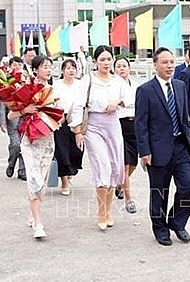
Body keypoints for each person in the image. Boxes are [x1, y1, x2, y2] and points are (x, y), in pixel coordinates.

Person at [135, 47, 190, 246]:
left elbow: (184, 116)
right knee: (160, 192)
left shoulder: (179, 86)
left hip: (181, 147)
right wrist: (145, 152)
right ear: (155, 65)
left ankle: (178, 223)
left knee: (188, 185)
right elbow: (141, 124)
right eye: (165, 62)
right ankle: (160, 228)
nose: (170, 66)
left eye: (172, 62)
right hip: (157, 150)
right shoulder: (145, 90)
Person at [69, 45, 126, 231]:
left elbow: (130, 99)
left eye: (109, 59)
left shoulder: (118, 81)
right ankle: (101, 212)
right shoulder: (87, 80)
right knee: (103, 166)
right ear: (95, 62)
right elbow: (77, 105)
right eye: (102, 59)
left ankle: (108, 210)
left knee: (114, 167)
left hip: (113, 126)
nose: (106, 62)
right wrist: (78, 131)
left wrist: (117, 102)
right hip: (94, 126)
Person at [8, 55, 61, 239]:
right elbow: (11, 115)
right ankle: (38, 224)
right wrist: (26, 110)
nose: (48, 70)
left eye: (50, 66)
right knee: (34, 180)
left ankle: (32, 213)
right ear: (36, 69)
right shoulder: (25, 89)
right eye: (45, 66)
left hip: (47, 141)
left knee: (43, 183)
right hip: (29, 141)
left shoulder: (52, 90)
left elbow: (60, 115)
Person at [51, 59, 84, 196]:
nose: (71, 70)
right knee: (62, 151)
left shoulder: (80, 85)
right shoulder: (57, 85)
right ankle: (64, 180)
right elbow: (54, 100)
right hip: (61, 120)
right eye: (68, 68)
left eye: (73, 68)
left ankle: (70, 172)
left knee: (77, 150)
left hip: (77, 121)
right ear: (62, 71)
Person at [113, 57, 141, 213]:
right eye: (118, 66)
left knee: (133, 163)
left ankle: (119, 184)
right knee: (125, 163)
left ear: (129, 68)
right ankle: (128, 198)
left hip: (135, 124)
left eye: (124, 66)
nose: (122, 68)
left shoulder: (136, 86)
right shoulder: (112, 85)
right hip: (119, 125)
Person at [0, 56, 27, 181]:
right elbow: (2, 103)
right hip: (12, 120)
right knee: (15, 145)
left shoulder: (27, 79)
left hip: (25, 119)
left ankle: (22, 171)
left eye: (19, 65)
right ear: (10, 67)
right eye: (14, 65)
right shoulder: (7, 81)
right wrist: (2, 122)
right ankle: (11, 164)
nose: (17, 67)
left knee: (24, 146)